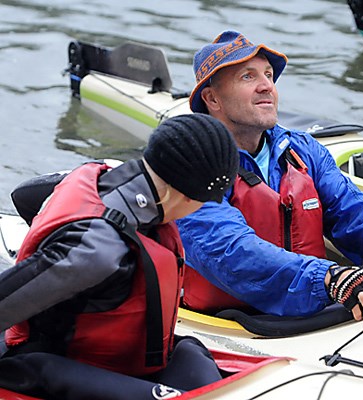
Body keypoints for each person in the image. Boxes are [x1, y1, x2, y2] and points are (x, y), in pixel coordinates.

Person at [177, 31, 363, 321]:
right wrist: (328, 278)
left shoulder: (302, 150)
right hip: (229, 322)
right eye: (248, 77)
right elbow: (229, 251)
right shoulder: (190, 166)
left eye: (269, 75)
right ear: (212, 99)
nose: (266, 87)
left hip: (312, 311)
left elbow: (356, 214)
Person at [0, 114, 239, 400]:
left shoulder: (114, 175)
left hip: (124, 361)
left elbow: (26, 194)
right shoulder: (99, 249)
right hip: (47, 363)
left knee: (192, 352)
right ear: (186, 197)